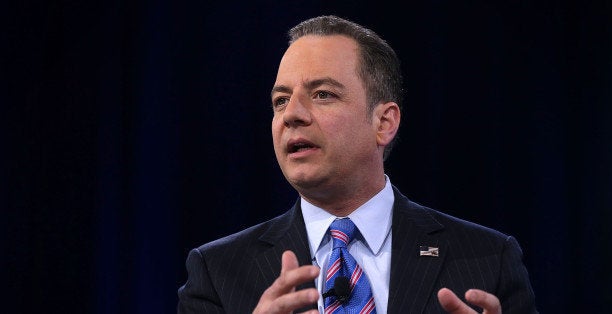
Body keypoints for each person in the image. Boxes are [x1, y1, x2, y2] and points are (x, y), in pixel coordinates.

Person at [177, 15, 537, 314]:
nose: (293, 115)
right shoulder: (217, 272)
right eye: (281, 100)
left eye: (322, 94)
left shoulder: (489, 260)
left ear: (384, 123)